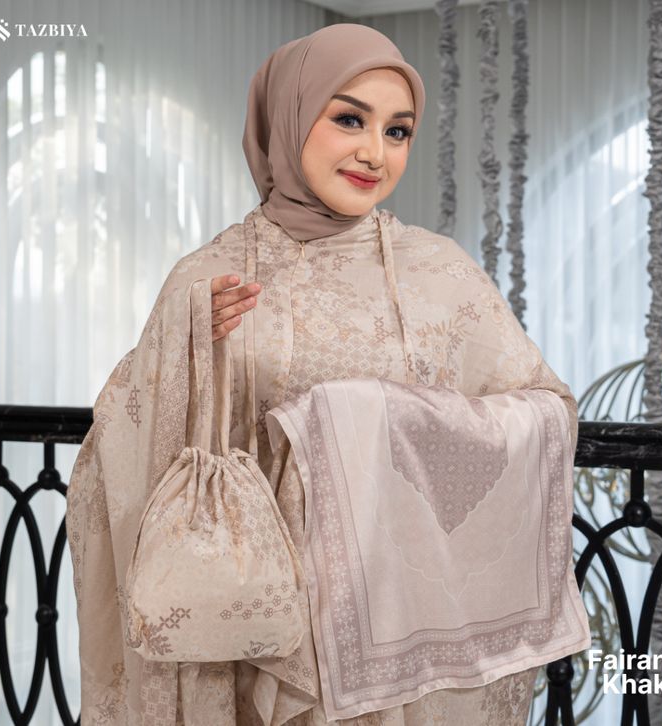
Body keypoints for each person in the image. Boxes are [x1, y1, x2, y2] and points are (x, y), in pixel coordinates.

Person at [67, 22, 586, 725]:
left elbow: (545, 409)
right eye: (349, 119)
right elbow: (118, 451)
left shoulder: (442, 275)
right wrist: (181, 348)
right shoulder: (209, 278)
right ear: (288, 117)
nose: (375, 153)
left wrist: (378, 419)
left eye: (397, 131)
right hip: (255, 634)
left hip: (404, 641)